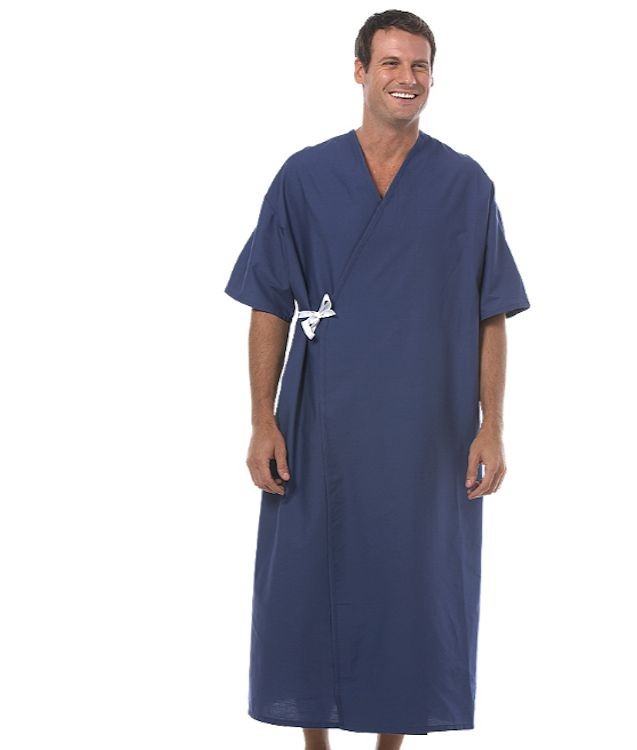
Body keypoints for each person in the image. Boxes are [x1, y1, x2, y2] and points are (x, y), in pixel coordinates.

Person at [224, 9, 530, 749]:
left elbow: (490, 312)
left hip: (428, 428)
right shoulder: (305, 177)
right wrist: (263, 418)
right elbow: (269, 302)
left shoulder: (464, 184)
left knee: (411, 586)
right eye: (391, 63)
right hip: (322, 417)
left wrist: (491, 425)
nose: (406, 78)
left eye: (419, 65)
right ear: (360, 71)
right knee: (309, 582)